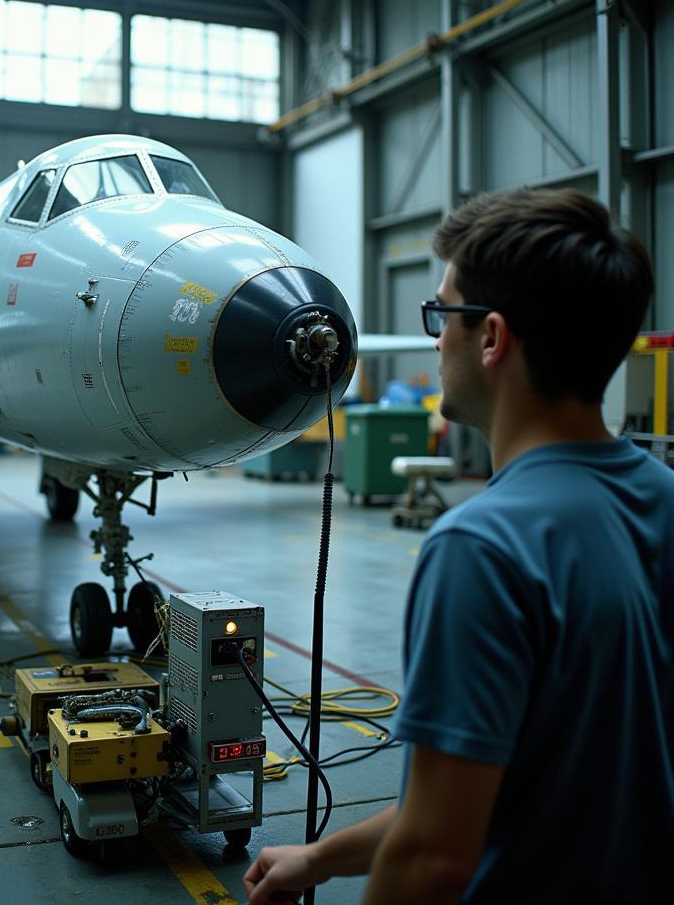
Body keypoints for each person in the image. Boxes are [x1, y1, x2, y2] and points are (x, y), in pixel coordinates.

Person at [243, 187, 674, 904]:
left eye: (443, 314)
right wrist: (318, 859)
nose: (435, 338)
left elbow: (435, 856)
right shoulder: (661, 498)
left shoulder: (484, 546)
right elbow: (486, 794)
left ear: (493, 337)